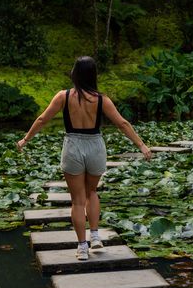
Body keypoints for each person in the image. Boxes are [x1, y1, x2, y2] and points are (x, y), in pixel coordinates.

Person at [17, 56, 152, 261]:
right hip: (95, 146)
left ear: (76, 74)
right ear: (93, 75)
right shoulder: (101, 99)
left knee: (78, 201)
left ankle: (82, 247)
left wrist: (25, 139)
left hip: (73, 147)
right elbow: (122, 123)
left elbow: (43, 119)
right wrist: (141, 145)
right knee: (92, 192)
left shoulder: (63, 96)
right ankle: (96, 236)